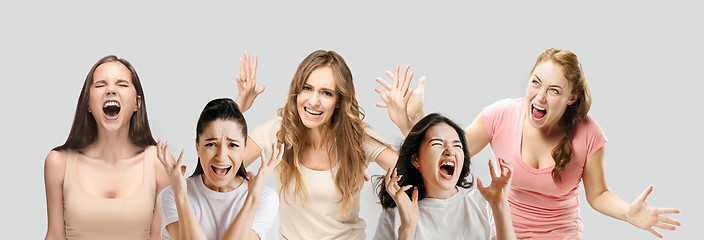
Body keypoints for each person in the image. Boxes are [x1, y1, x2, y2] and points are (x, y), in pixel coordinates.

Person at [375, 49, 681, 239]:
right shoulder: (500, 115)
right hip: (503, 232)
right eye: (535, 82)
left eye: (554, 90)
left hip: (562, 236)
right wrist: (409, 120)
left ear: (571, 97)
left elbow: (598, 193)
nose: (539, 96)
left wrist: (628, 212)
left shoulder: (588, 132)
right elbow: (449, 154)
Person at [235, 50, 399, 239]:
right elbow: (219, 166)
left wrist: (405, 122)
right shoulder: (277, 131)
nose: (313, 101)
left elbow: (417, 173)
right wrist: (238, 107)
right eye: (307, 88)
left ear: (339, 100)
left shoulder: (357, 137)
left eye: (326, 93)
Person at [44, 55, 169, 240]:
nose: (111, 90)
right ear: (87, 103)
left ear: (137, 104)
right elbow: (54, 236)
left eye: (122, 84)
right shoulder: (58, 163)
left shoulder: (160, 164)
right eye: (101, 85)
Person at [374, 113, 517, 240]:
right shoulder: (395, 216)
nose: (450, 151)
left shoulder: (483, 205)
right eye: (437, 144)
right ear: (415, 159)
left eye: (457, 146)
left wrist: (500, 204)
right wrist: (408, 228)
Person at [156, 98, 280, 240]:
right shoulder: (172, 195)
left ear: (244, 148)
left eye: (233, 145)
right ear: (197, 147)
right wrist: (181, 198)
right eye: (211, 144)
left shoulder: (264, 197)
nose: (221, 156)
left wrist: (253, 197)